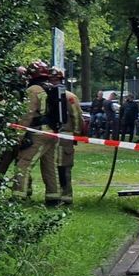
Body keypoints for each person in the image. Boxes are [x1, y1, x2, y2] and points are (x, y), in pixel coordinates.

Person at [12, 61, 62, 206]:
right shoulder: (50, 88)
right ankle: (53, 197)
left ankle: (18, 197)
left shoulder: (33, 90)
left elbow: (27, 115)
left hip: (38, 133)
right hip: (52, 132)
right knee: (49, 166)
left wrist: (18, 136)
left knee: (23, 164)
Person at [50, 69, 84, 205]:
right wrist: (76, 134)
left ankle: (63, 196)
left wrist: (75, 134)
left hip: (59, 136)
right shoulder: (68, 96)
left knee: (60, 168)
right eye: (52, 80)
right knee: (56, 168)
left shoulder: (67, 97)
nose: (53, 82)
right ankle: (60, 196)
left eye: (55, 80)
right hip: (57, 137)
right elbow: (77, 116)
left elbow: (76, 116)